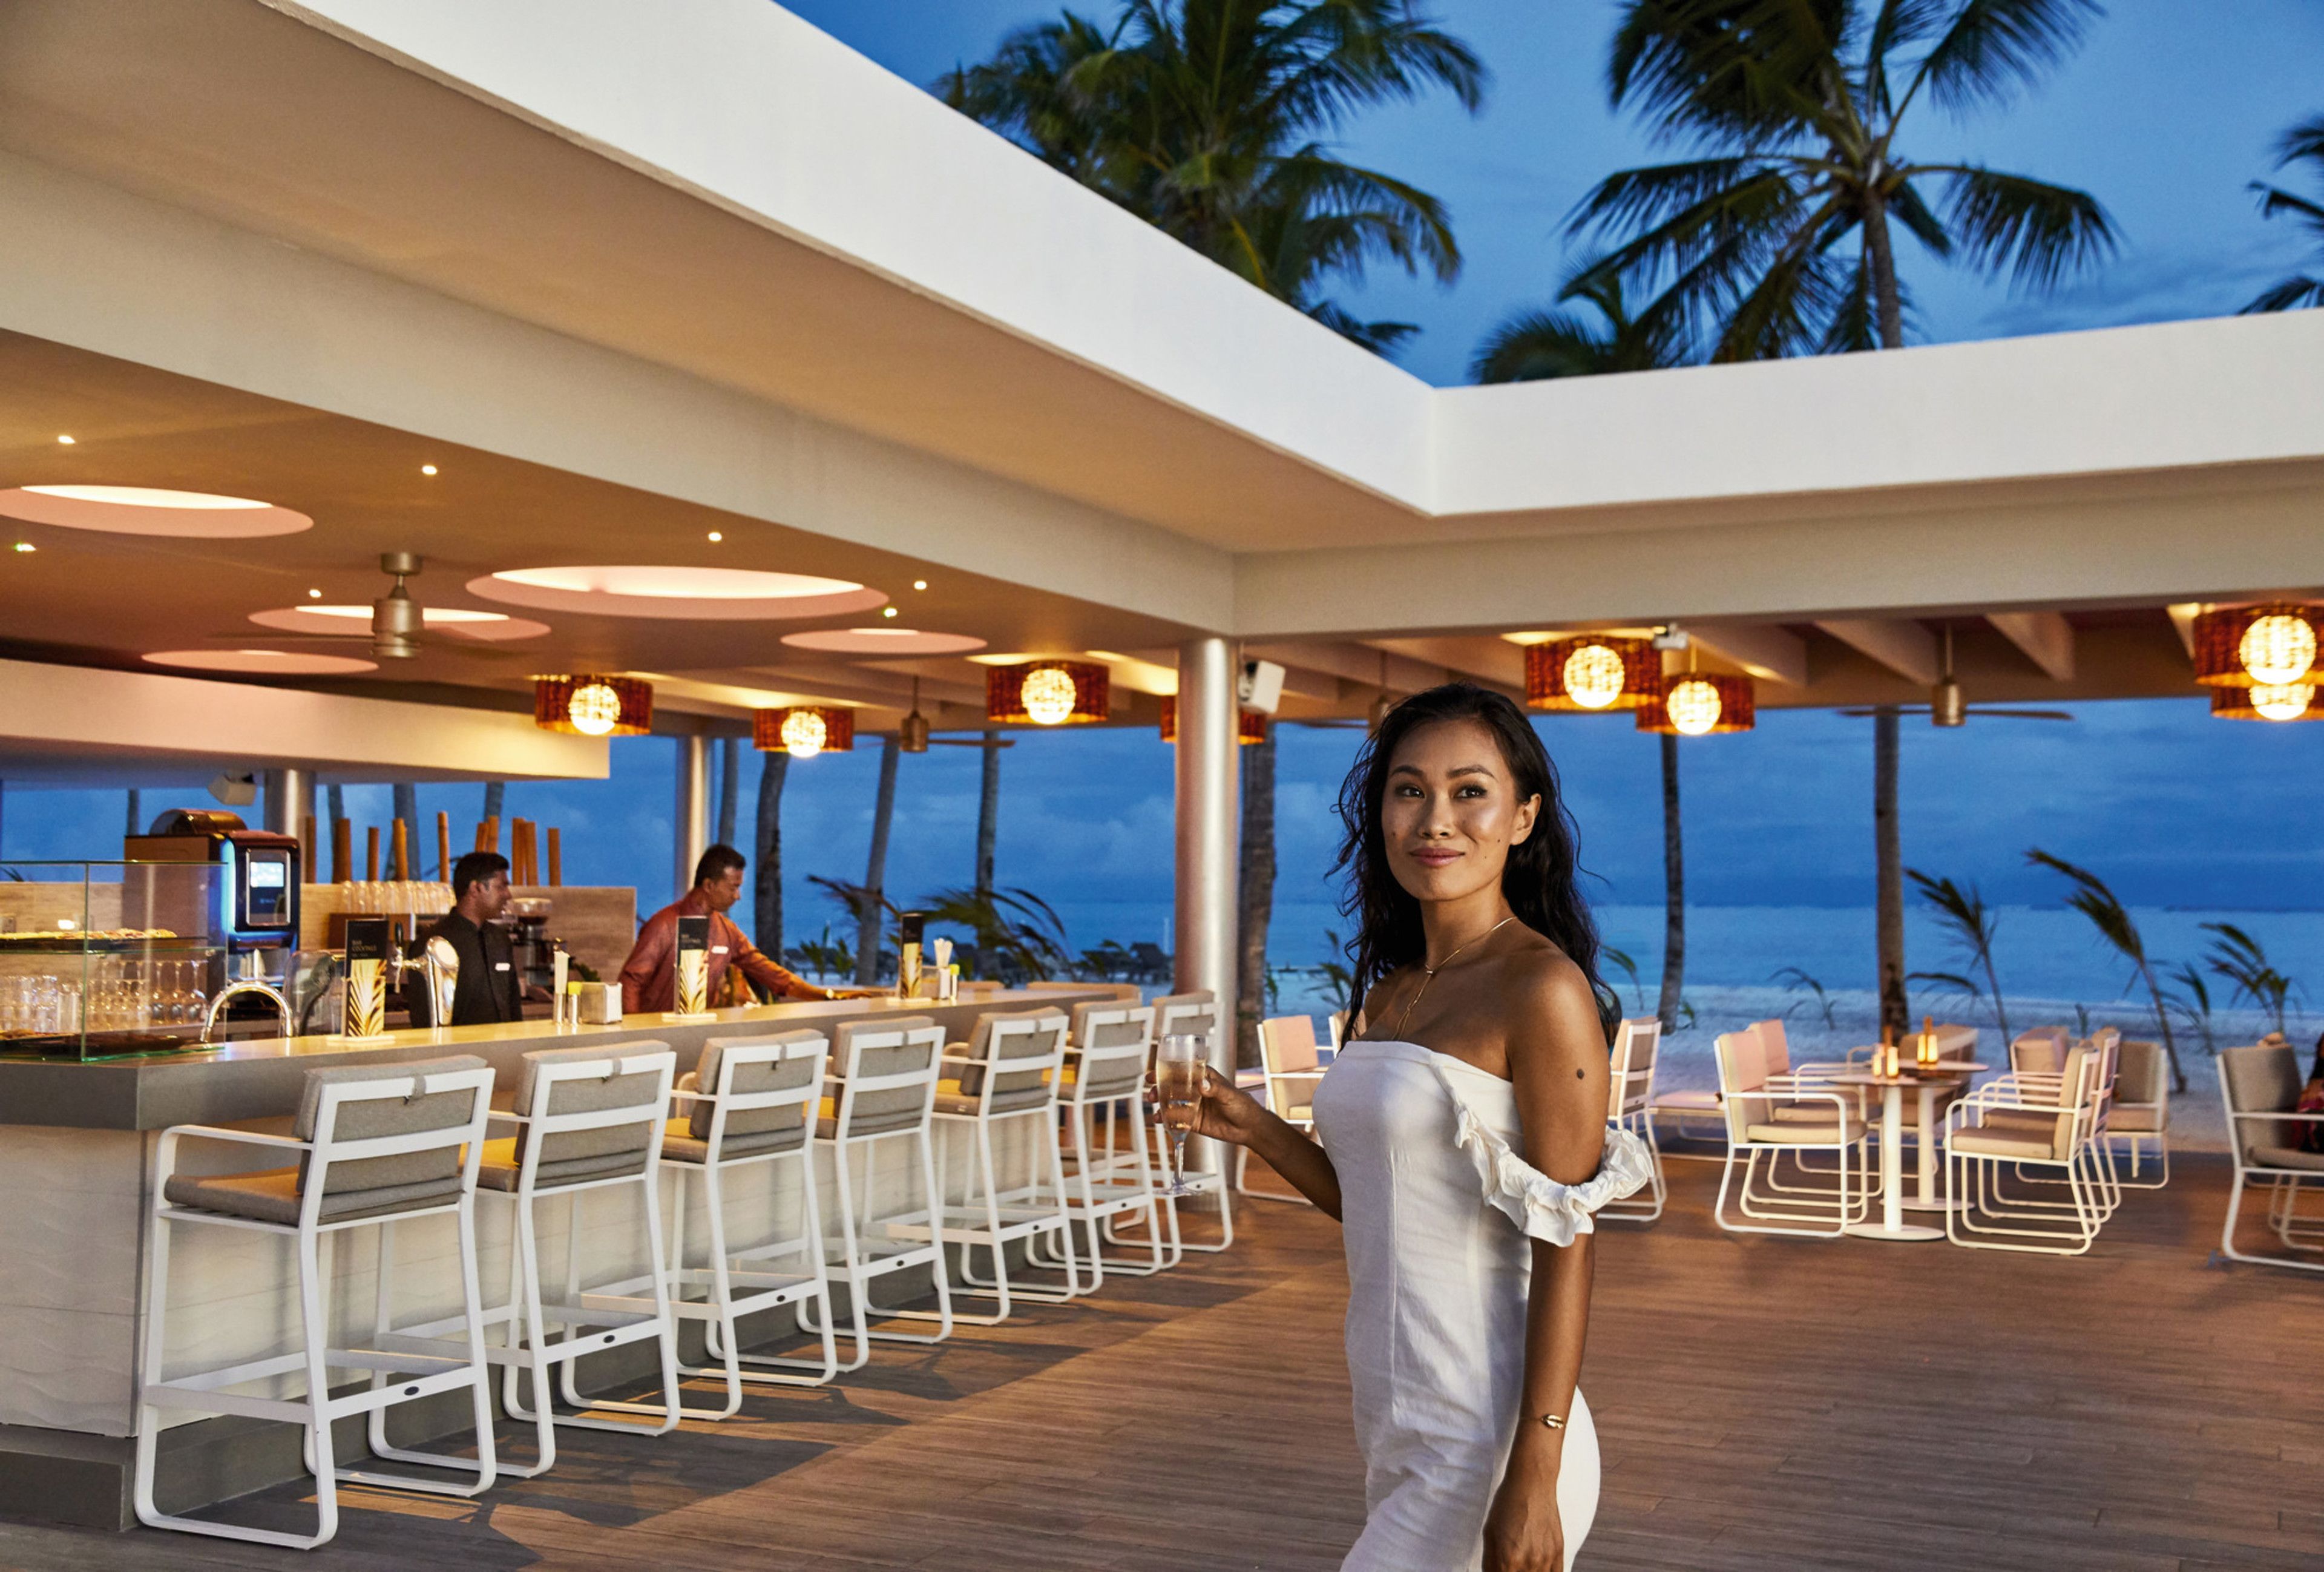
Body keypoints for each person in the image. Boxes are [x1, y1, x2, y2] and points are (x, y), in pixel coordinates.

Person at [1173, 683, 1649, 1572]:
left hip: (1492, 1433)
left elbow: (1567, 1243)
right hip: (1400, 1416)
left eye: (1470, 791)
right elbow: (1389, 1208)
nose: (1436, 819)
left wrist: (1535, 1471)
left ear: (1523, 817)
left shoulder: (1540, 990)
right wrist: (1257, 1128)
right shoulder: (1394, 989)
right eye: (1408, 790)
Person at [619, 843, 830, 1013]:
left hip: (697, 1035)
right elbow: (631, 981)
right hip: (656, 1036)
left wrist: (827, 996)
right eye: (734, 887)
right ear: (710, 886)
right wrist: (637, 1036)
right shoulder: (664, 924)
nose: (738, 896)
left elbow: (770, 973)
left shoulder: (727, 930)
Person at [409, 850, 524, 1027]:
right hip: (457, 1052)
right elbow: (424, 1019)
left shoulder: (500, 939)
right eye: (501, 886)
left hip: (504, 1049)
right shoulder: (433, 944)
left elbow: (513, 1005)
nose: (508, 895)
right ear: (475, 888)